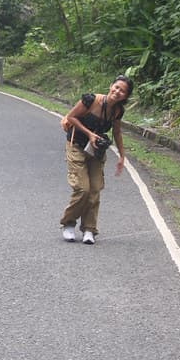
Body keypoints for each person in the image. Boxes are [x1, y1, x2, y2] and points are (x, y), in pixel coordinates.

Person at [59, 75, 133, 244]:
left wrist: (122, 156)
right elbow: (71, 117)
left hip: (96, 151)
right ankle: (68, 223)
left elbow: (117, 132)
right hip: (76, 145)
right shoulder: (90, 100)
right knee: (82, 188)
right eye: (116, 87)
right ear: (110, 86)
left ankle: (89, 229)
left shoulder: (117, 111)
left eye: (122, 91)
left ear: (126, 96)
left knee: (95, 190)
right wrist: (89, 134)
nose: (118, 92)